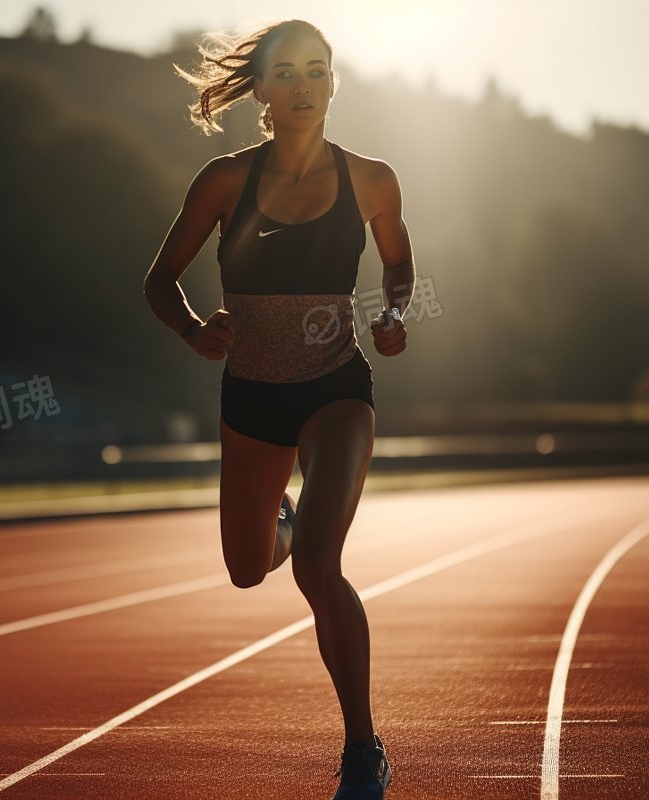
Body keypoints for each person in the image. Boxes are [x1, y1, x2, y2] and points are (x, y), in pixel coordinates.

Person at [142, 18, 414, 800]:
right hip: (252, 397)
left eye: (318, 71)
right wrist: (195, 330)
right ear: (259, 88)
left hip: (336, 390)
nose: (304, 86)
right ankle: (280, 522)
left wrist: (392, 315)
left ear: (335, 82)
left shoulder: (372, 178)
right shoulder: (225, 180)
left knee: (320, 566)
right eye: (287, 73)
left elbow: (398, 263)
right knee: (245, 569)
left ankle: (363, 751)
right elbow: (159, 281)